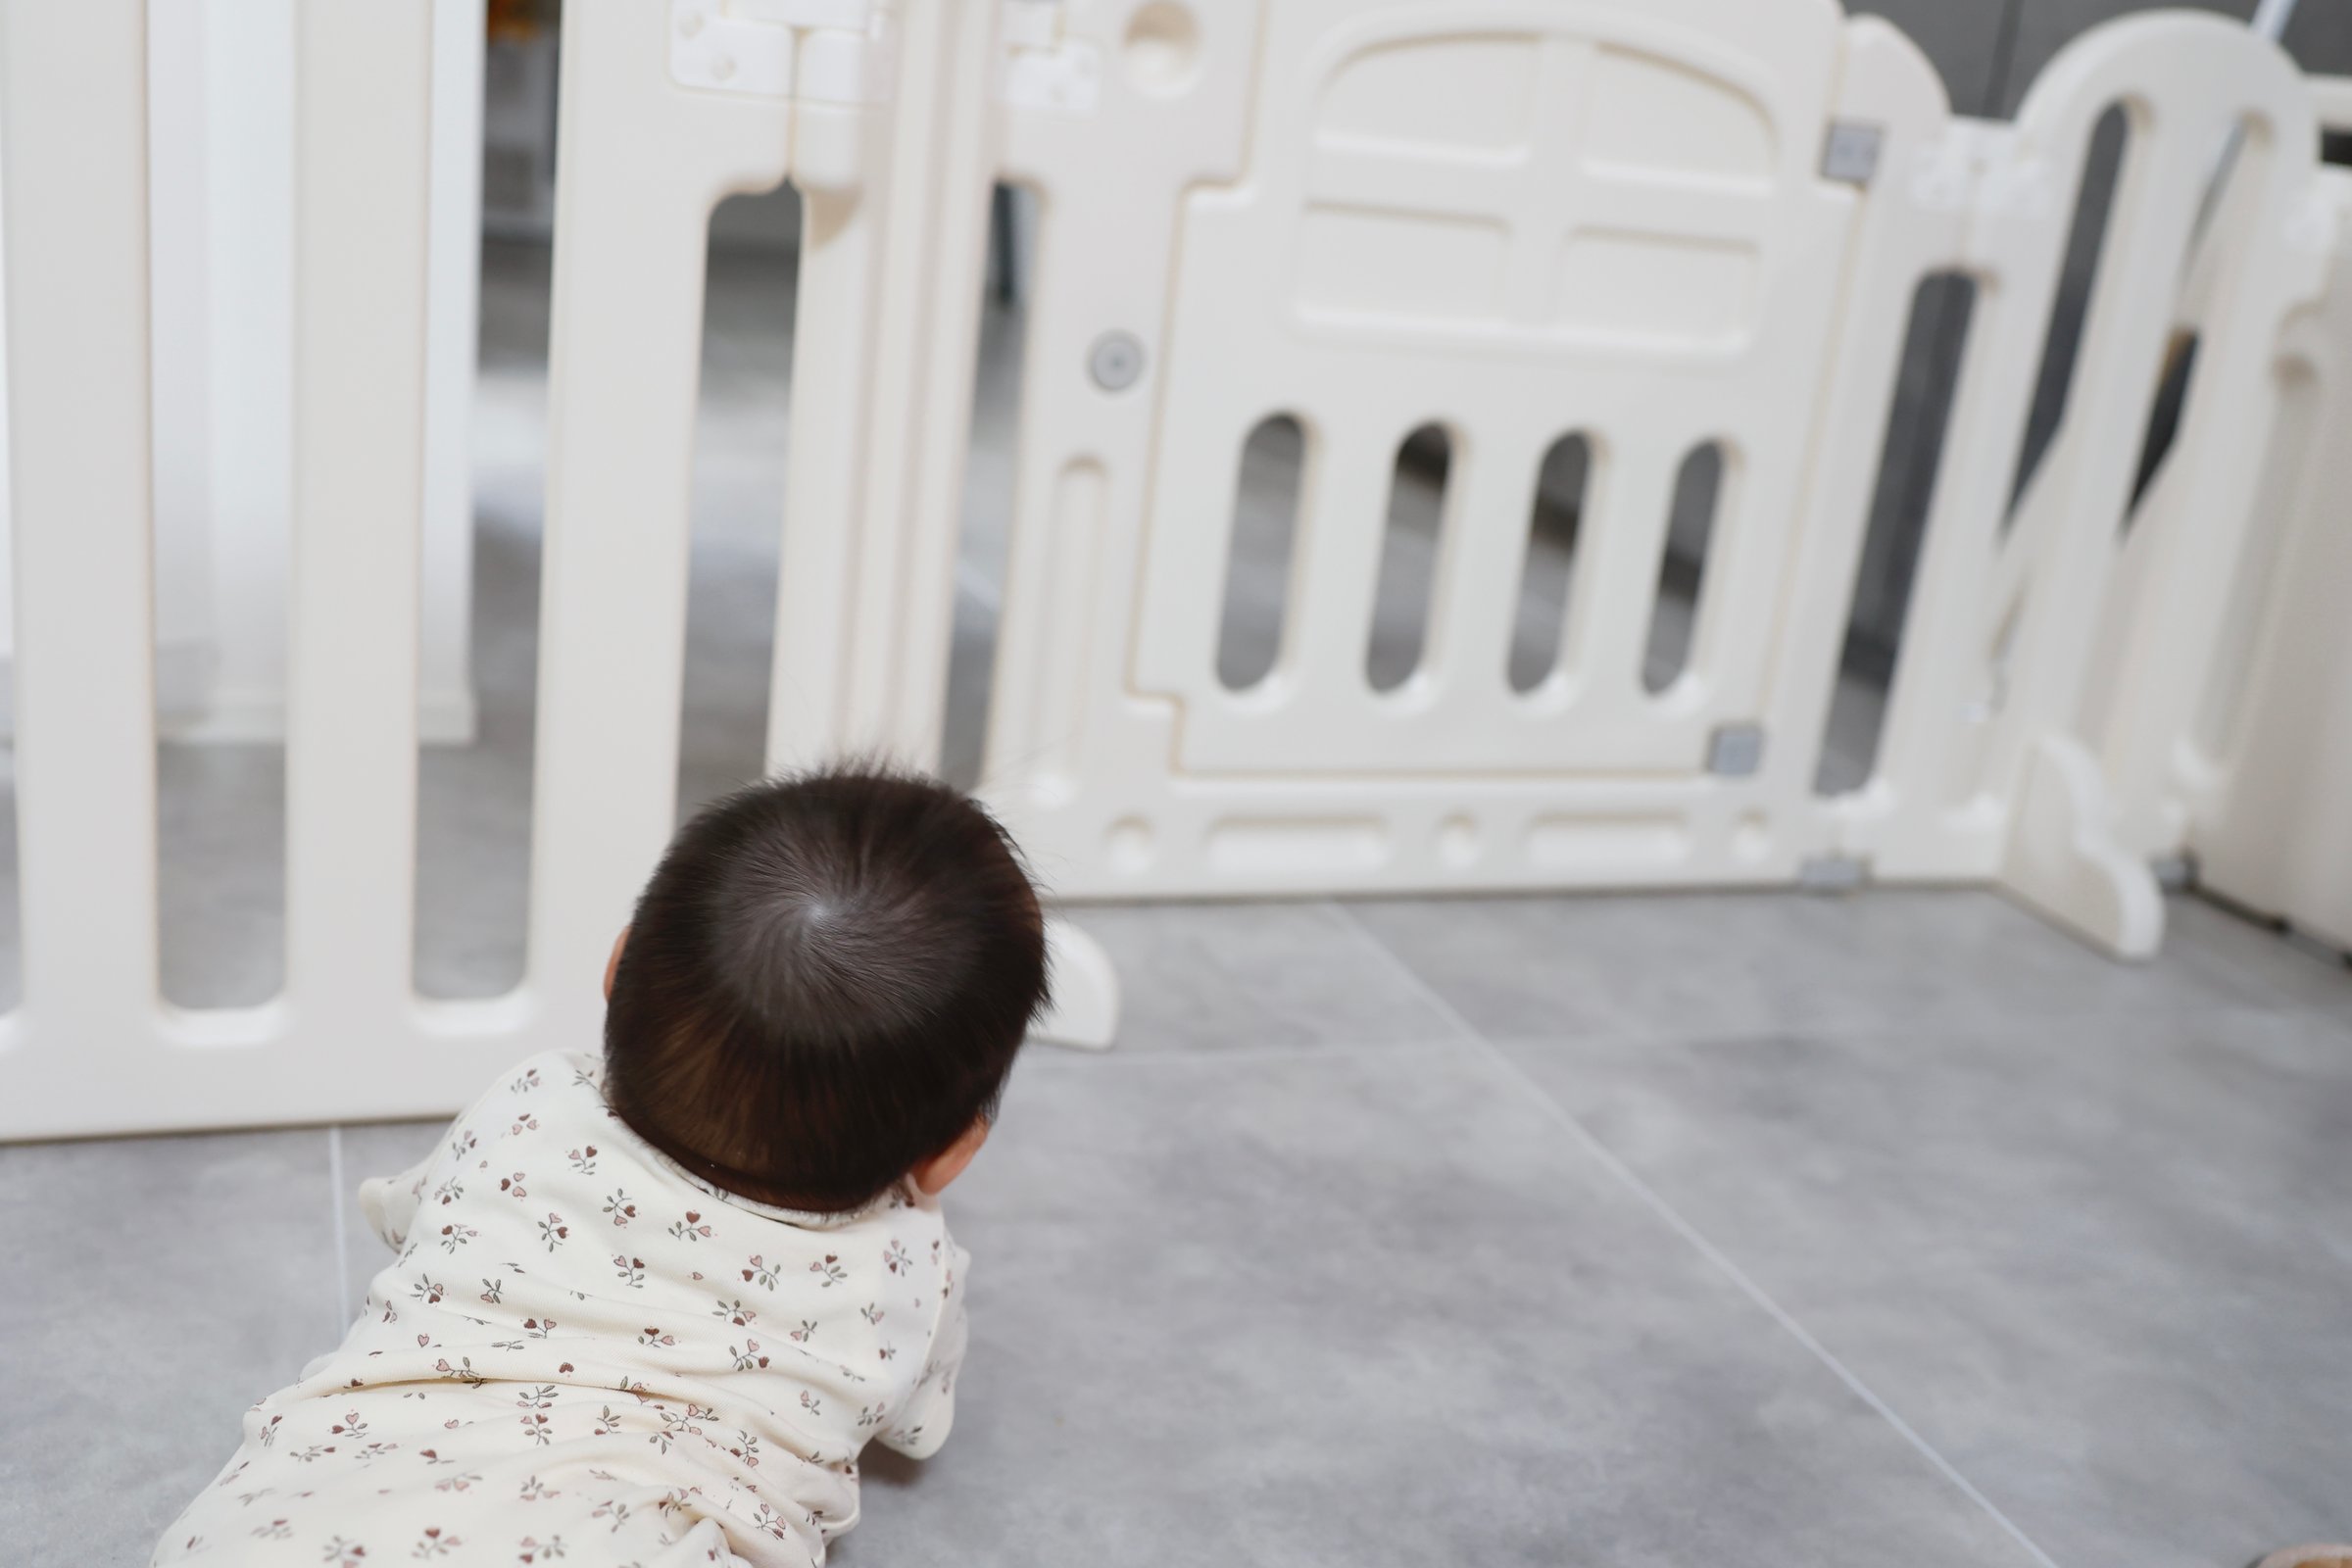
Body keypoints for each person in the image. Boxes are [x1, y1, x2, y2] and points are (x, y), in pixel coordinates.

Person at [154, 764, 1050, 1566]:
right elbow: (918, 1425)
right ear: (951, 1154)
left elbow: (410, 1217)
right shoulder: (906, 1267)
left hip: (292, 1521)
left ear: (617, 966)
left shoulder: (532, 1104)